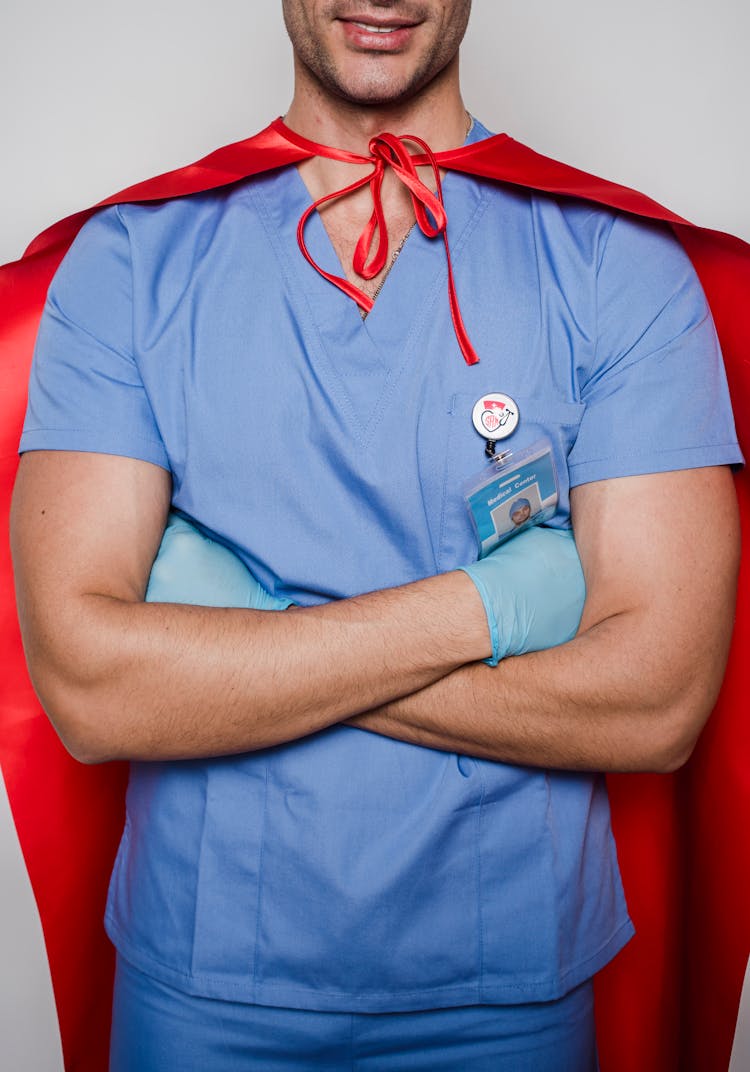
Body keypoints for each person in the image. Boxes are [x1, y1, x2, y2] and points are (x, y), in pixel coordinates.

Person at [9, 2, 742, 1069]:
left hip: (508, 1000)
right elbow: (88, 688)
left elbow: (659, 699)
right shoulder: (129, 263)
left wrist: (247, 637)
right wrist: (501, 607)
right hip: (204, 990)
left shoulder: (618, 266)